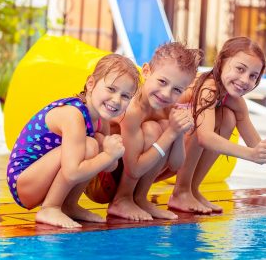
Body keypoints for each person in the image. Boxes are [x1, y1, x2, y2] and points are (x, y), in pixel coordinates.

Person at [167, 36, 266, 214]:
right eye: (240, 69)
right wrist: (250, 154)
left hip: (174, 149)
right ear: (221, 61)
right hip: (160, 148)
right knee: (200, 124)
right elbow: (205, 137)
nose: (245, 80)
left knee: (227, 118)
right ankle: (181, 192)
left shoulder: (233, 102)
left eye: (253, 76)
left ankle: (192, 190)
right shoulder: (208, 87)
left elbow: (256, 145)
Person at [6, 54, 139, 228]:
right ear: (91, 84)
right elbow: (72, 172)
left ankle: (68, 205)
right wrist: (108, 155)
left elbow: (108, 167)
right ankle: (50, 208)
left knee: (94, 143)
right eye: (111, 89)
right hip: (23, 183)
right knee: (90, 145)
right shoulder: (73, 115)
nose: (116, 100)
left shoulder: (101, 120)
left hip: (40, 179)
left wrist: (111, 153)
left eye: (125, 96)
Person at [85, 42, 202, 221]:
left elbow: (176, 165)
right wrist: (170, 133)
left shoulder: (169, 107)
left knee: (165, 126)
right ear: (146, 72)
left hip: (126, 169)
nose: (166, 93)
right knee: (153, 129)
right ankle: (122, 199)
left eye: (177, 90)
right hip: (100, 177)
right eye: (162, 82)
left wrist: (177, 132)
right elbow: (134, 168)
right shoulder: (132, 108)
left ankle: (139, 198)